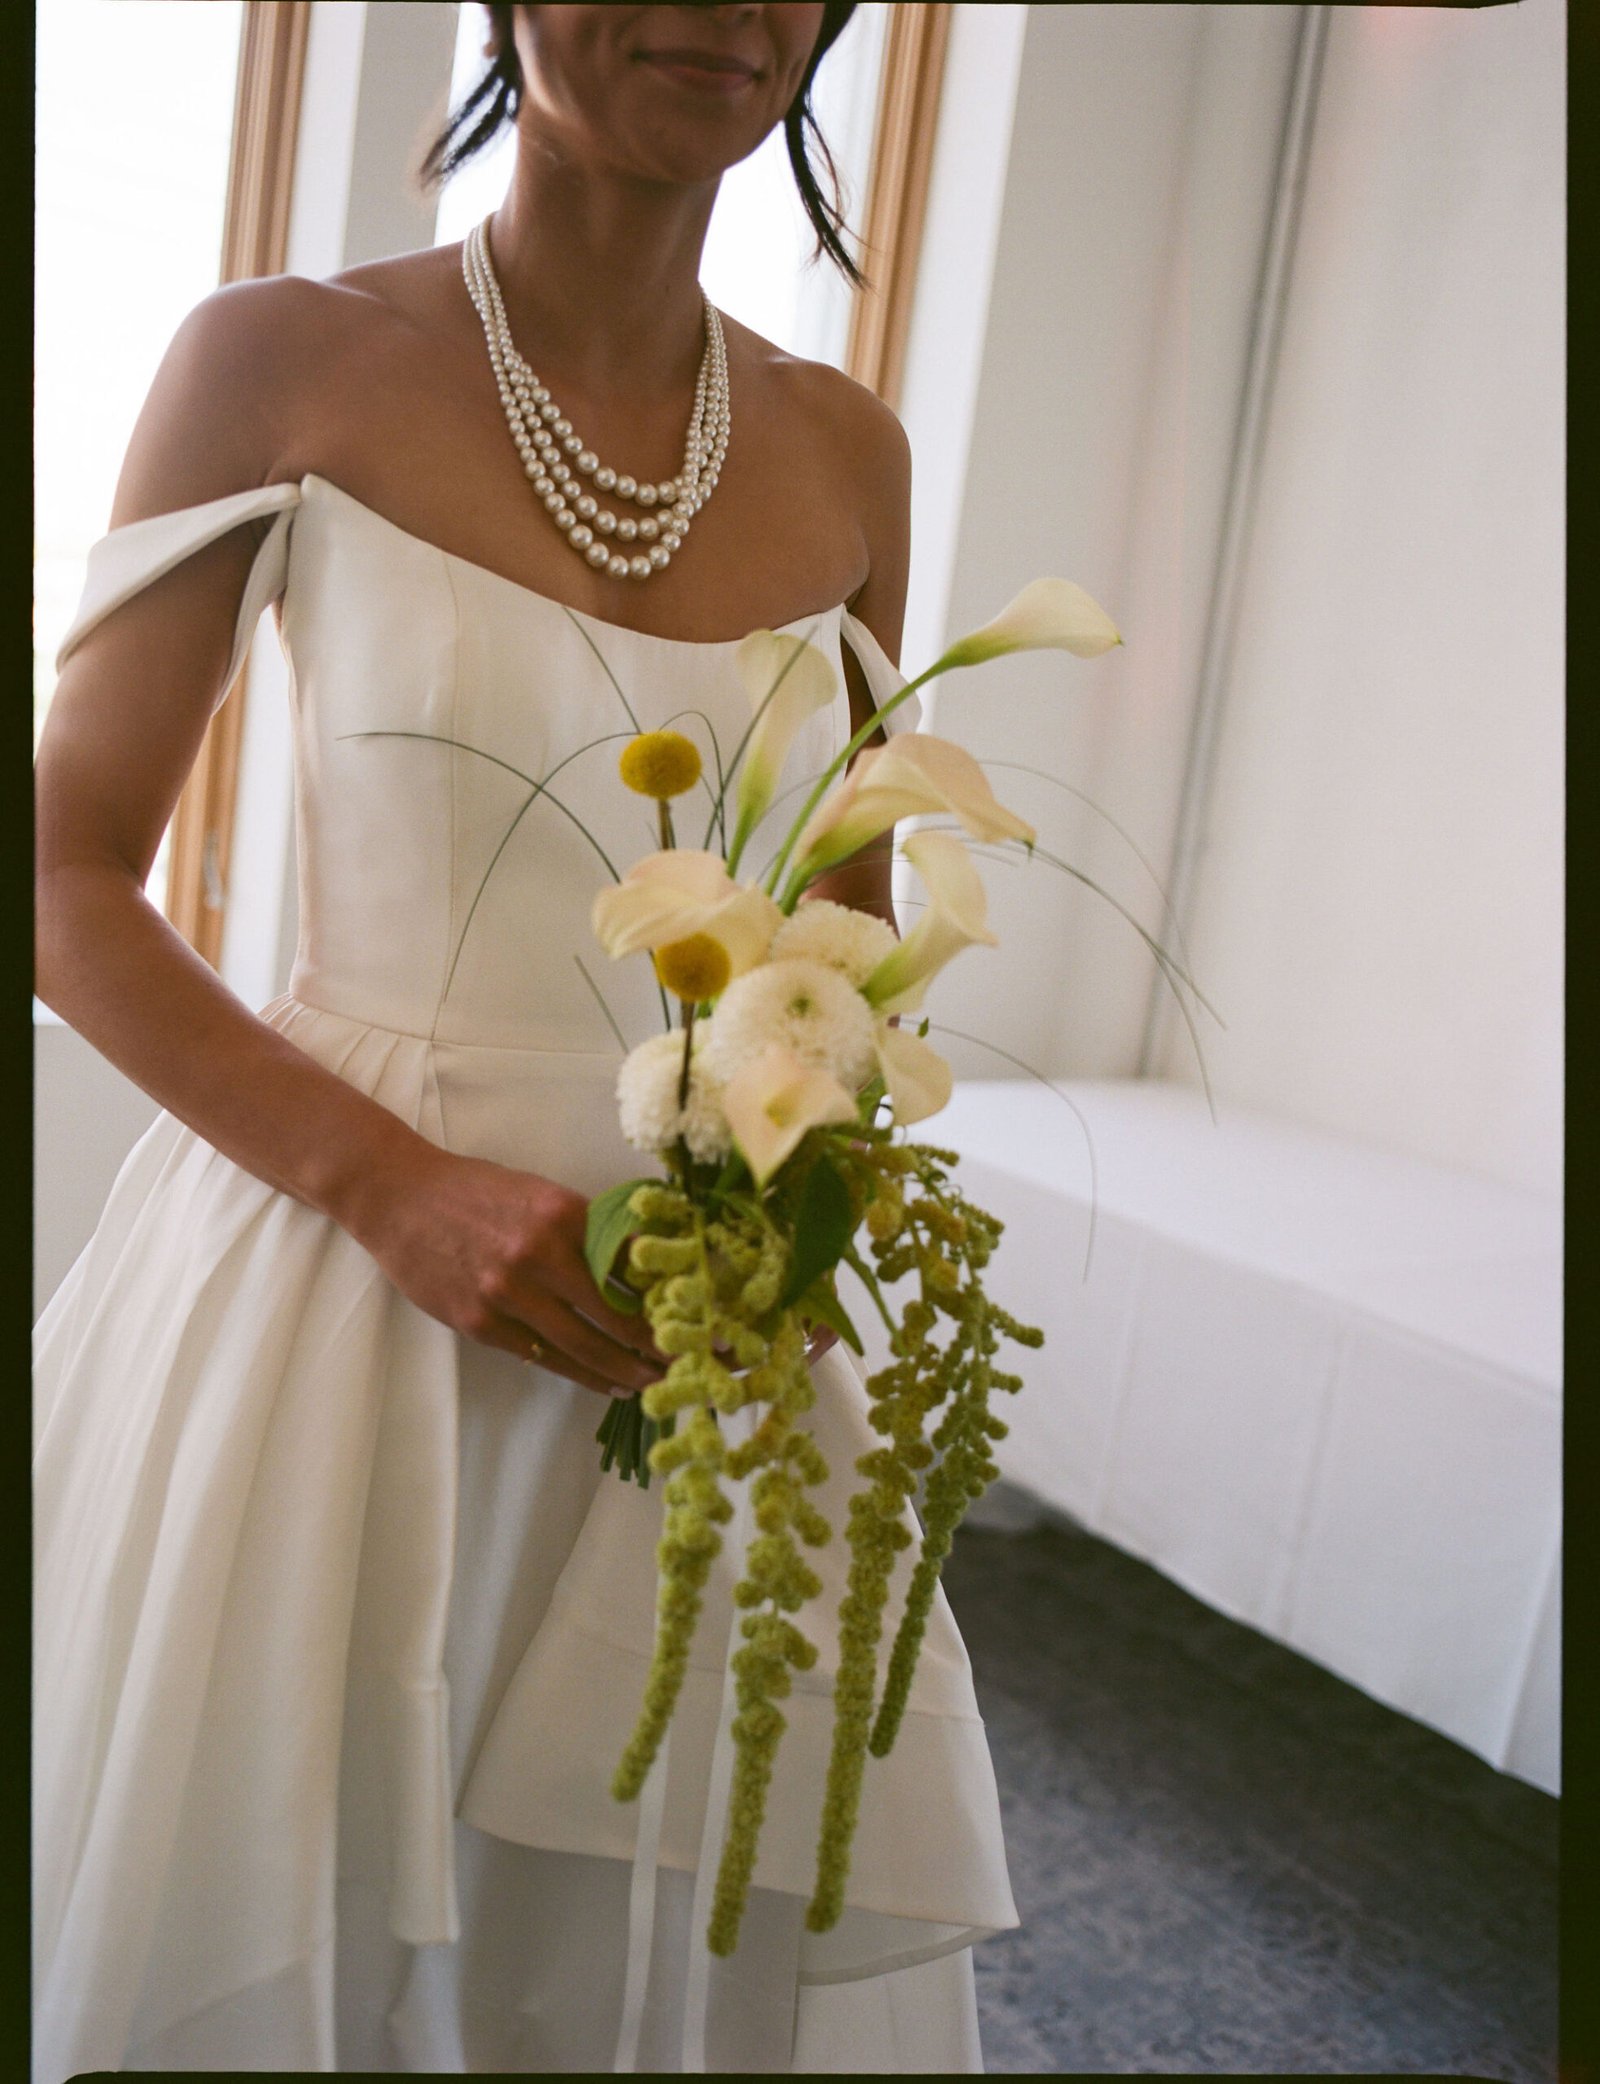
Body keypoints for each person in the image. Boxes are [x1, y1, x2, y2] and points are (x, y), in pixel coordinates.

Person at [33, 5, 1018, 2073]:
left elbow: (838, 943)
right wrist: (392, 1186)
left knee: (638, 1937)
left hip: (702, 1326)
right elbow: (58, 870)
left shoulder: (849, 446)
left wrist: (798, 1219)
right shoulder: (275, 358)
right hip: (340, 1287)